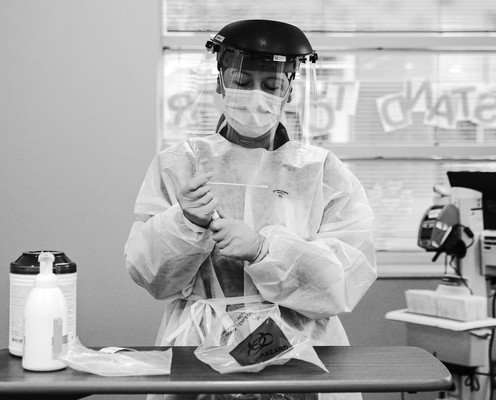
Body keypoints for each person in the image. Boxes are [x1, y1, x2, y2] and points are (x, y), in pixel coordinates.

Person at [124, 19, 377, 400]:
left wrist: (265, 250)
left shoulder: (322, 171)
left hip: (300, 349)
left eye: (272, 86)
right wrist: (185, 222)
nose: (256, 97)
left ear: (289, 92)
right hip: (201, 349)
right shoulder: (179, 165)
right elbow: (151, 277)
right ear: (219, 83)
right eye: (242, 82)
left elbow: (342, 284)